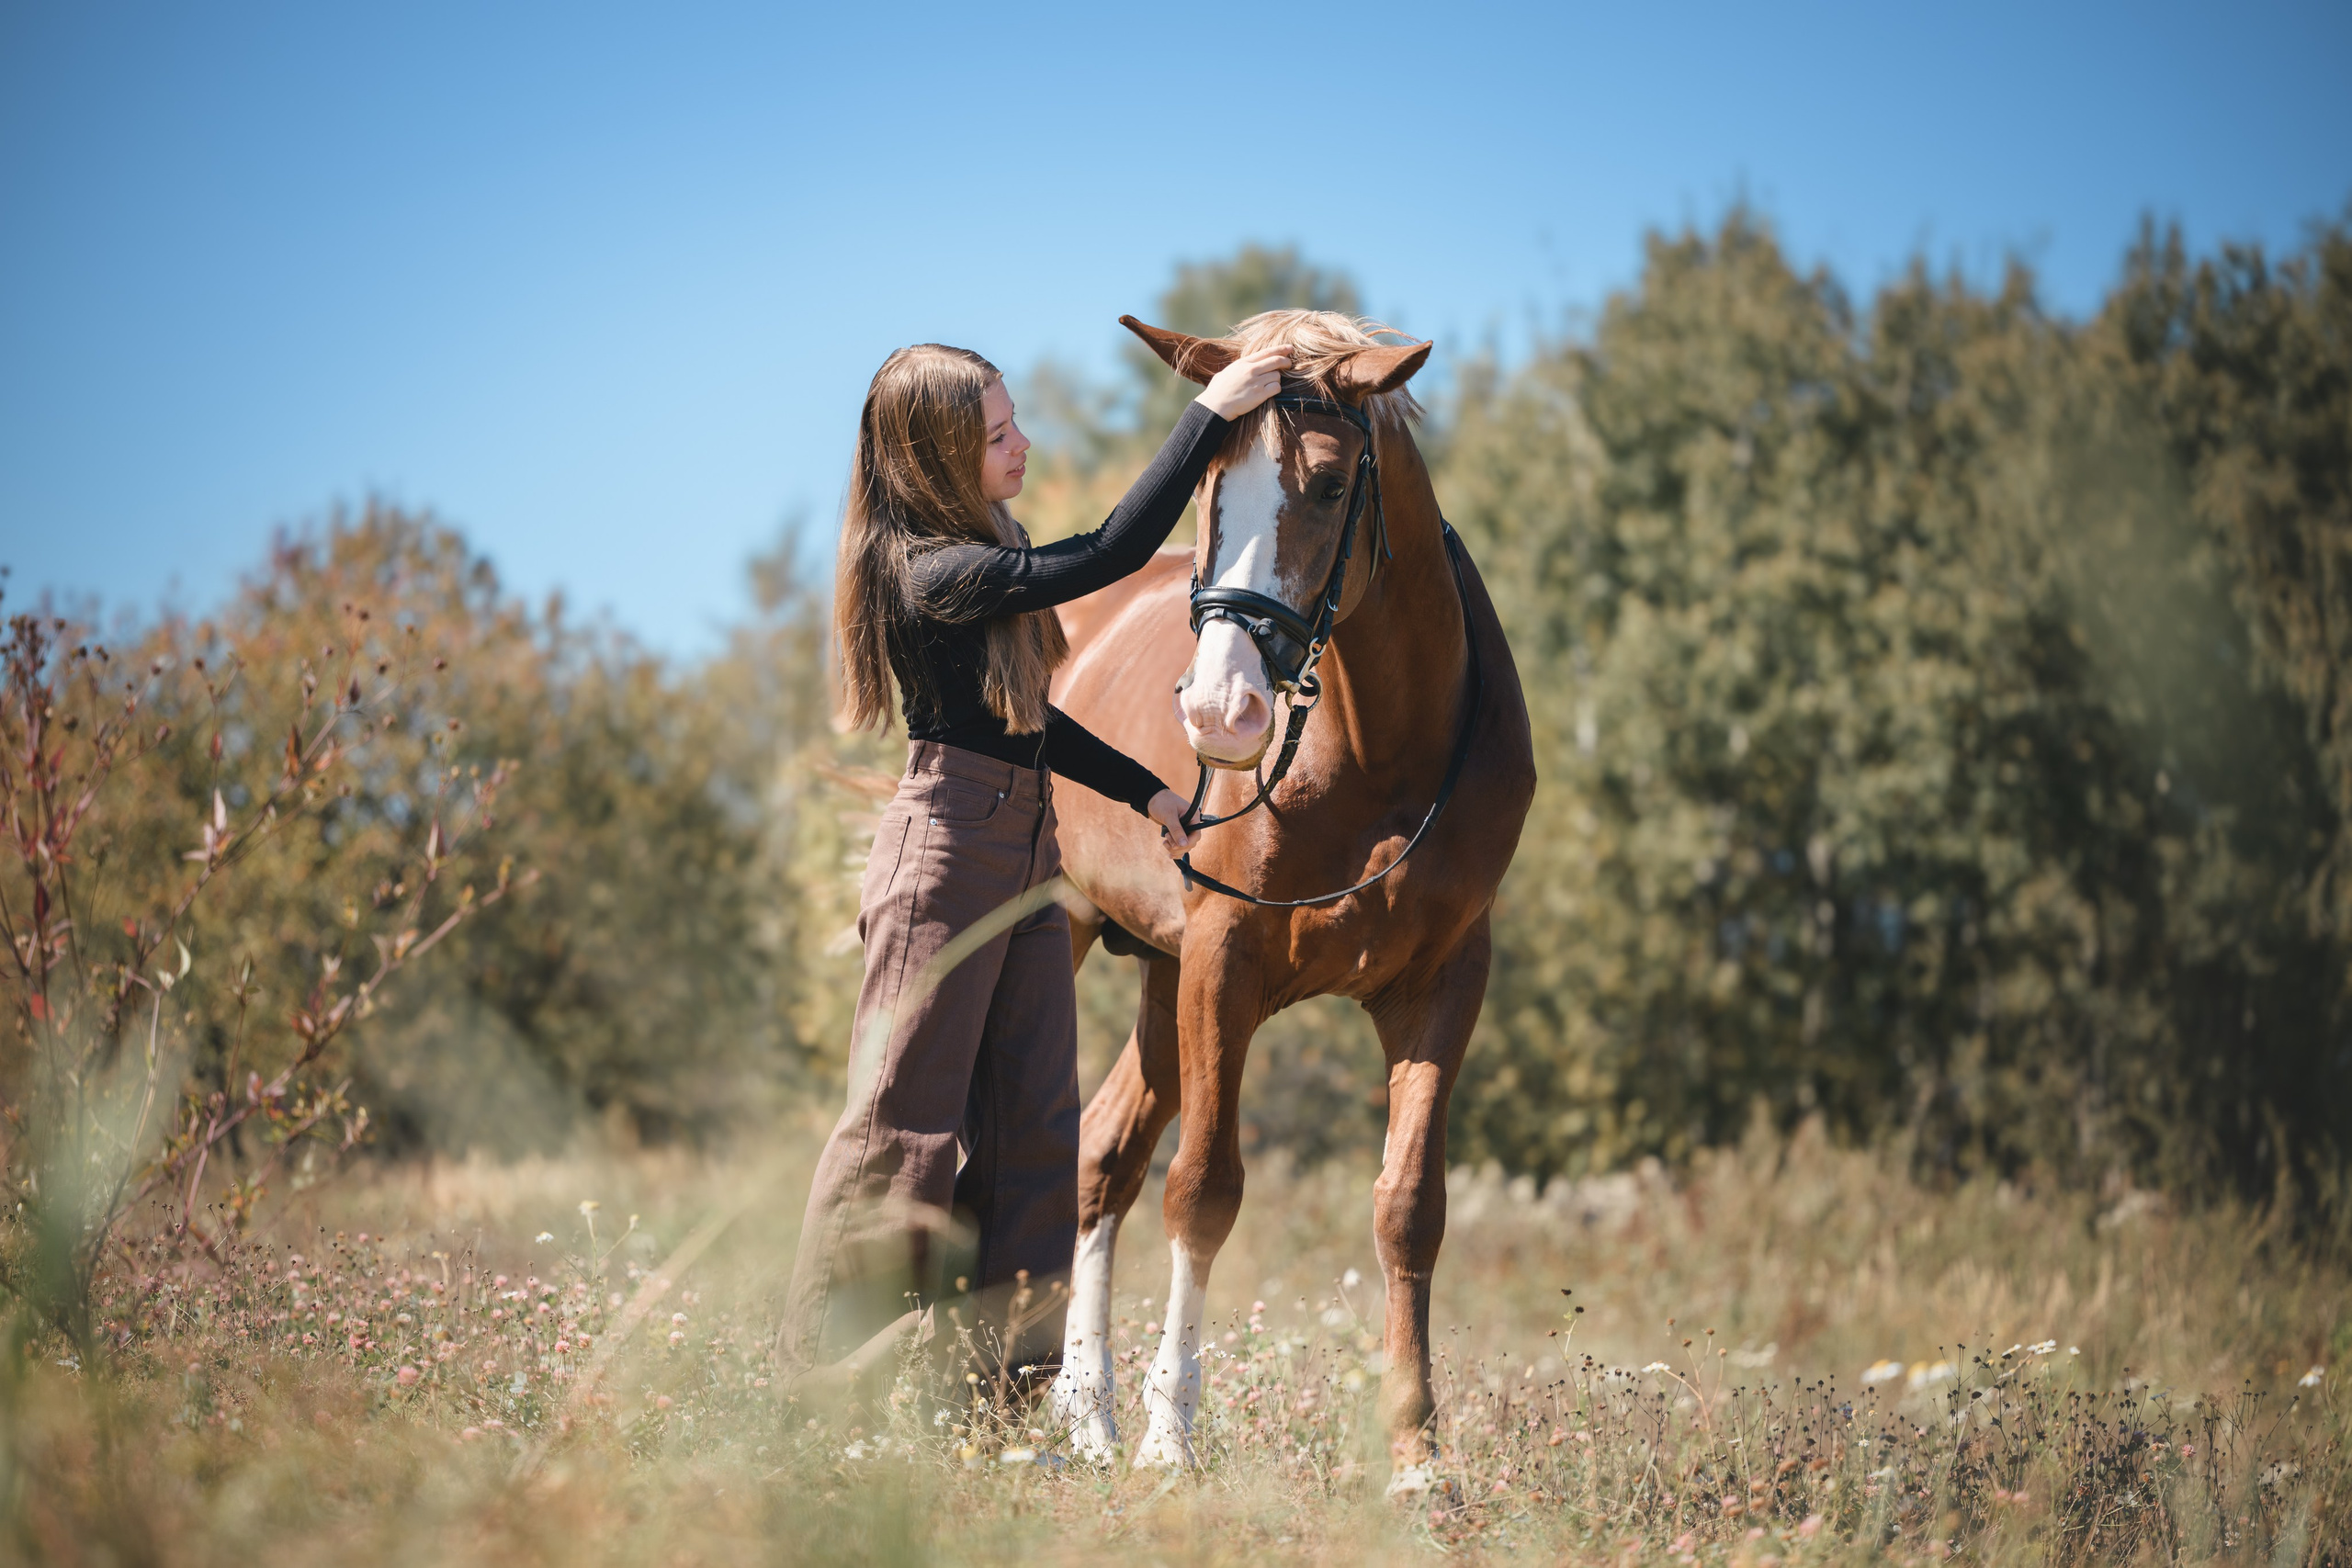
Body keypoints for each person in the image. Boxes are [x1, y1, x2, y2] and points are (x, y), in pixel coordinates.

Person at [775, 338, 1290, 1399]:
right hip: (946, 851)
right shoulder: (935, 571)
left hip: (1024, 847)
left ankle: (992, 1405)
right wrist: (1211, 417)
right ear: (934, 457)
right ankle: (826, 1398)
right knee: (901, 1132)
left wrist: (1145, 789)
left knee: (1034, 1138)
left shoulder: (983, 551)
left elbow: (1024, 726)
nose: (1022, 446)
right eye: (998, 435)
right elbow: (1106, 554)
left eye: (1015, 424)